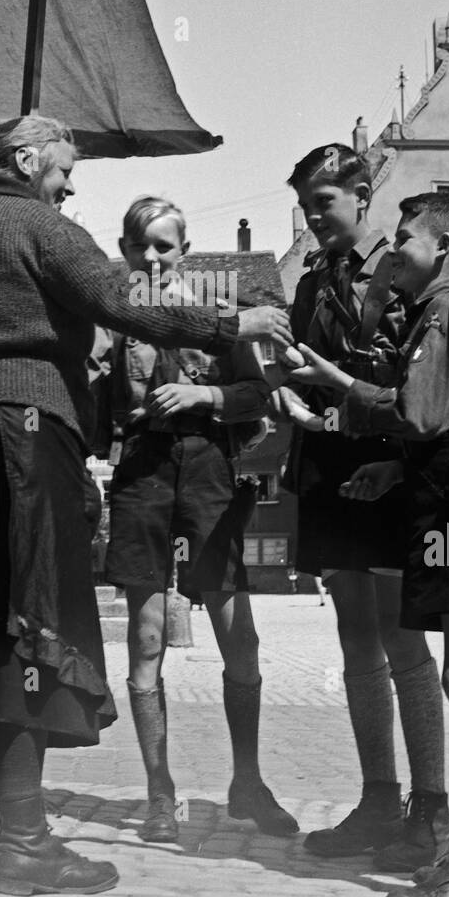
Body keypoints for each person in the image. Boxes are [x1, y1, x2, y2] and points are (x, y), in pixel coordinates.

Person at [0, 117, 292, 896]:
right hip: (19, 444)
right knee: (29, 625)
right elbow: (125, 302)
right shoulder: (41, 227)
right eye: (65, 171)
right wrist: (230, 323)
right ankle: (27, 843)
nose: (71, 187)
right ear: (27, 161)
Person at [291, 192, 449, 897]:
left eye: (407, 240)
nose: (395, 251)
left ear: (445, 250)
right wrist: (397, 467)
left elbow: (420, 413)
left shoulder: (443, 308)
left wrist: (337, 385)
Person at [270, 146, 449, 874]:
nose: (315, 219)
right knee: (355, 639)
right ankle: (380, 799)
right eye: (307, 206)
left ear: (361, 194)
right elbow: (303, 364)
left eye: (325, 202)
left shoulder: (401, 269)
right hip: (329, 462)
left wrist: (397, 456)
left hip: (387, 463)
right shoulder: (313, 279)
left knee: (402, 638)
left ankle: (431, 812)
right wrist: (286, 394)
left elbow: (421, 384)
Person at [93, 197, 297, 844]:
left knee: (240, 634)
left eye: (164, 247)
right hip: (144, 473)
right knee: (146, 639)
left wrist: (205, 393)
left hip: (209, 470)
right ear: (126, 251)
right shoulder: (115, 319)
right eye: (140, 247)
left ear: (184, 250)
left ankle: (248, 782)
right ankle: (159, 795)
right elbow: (93, 396)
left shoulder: (216, 313)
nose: (152, 258)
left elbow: (255, 394)